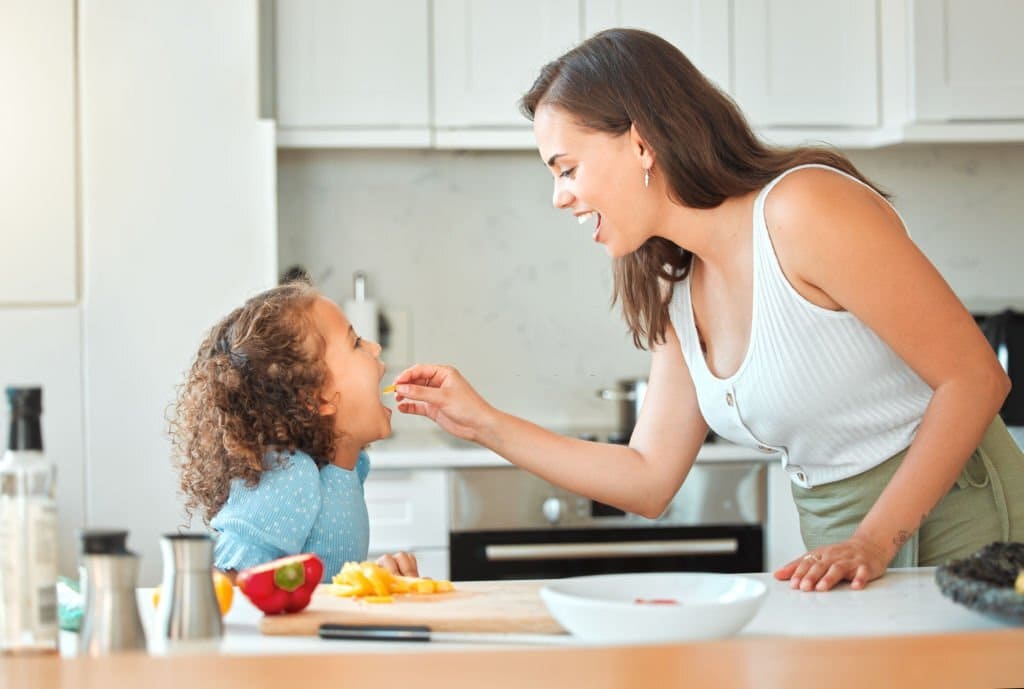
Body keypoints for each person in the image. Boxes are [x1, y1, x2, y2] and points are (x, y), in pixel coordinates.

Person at [390, 28, 1024, 592]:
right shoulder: (680, 288)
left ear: (640, 144)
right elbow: (647, 479)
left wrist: (873, 539)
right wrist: (482, 422)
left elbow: (974, 378)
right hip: (844, 543)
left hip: (963, 516)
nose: (560, 197)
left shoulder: (805, 209)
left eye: (567, 168)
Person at [170, 277, 417, 581]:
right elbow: (226, 583)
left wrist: (374, 579)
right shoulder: (291, 477)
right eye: (355, 343)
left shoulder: (352, 468)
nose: (375, 347)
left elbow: (322, 581)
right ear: (317, 396)